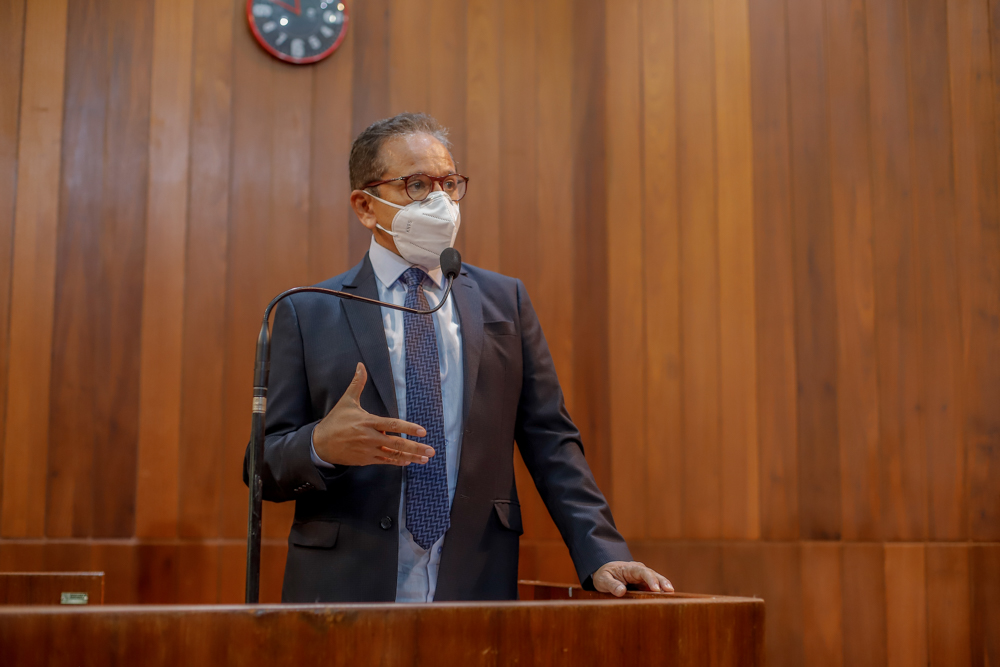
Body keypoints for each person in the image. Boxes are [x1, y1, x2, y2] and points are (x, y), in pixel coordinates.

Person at [244, 112, 672, 603]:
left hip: (475, 581)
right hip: (344, 588)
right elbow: (261, 467)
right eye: (417, 185)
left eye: (449, 183)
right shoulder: (306, 310)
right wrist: (320, 444)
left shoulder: (504, 301)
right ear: (366, 206)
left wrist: (600, 551)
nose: (441, 202)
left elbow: (550, 440)